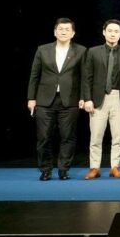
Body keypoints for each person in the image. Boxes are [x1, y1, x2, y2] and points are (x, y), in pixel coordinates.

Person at [27, 18, 86, 181]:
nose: (63, 32)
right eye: (60, 29)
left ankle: (63, 169)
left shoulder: (81, 51)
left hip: (70, 100)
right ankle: (45, 170)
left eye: (67, 29)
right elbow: (34, 75)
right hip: (44, 100)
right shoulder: (42, 50)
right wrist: (31, 98)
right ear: (55, 32)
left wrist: (83, 97)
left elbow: (85, 77)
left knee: (68, 136)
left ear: (73, 33)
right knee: (44, 137)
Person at [81, 19, 120, 179]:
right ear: (104, 32)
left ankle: (115, 167)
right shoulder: (93, 51)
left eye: (116, 31)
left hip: (119, 97)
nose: (113, 34)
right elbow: (86, 77)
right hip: (98, 98)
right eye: (110, 31)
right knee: (96, 136)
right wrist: (87, 98)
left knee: (118, 136)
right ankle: (94, 167)